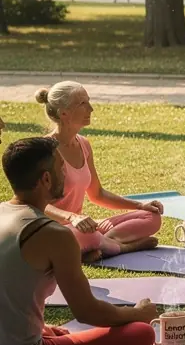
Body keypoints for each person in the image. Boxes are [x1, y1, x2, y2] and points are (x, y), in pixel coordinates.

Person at [0, 137, 157, 345]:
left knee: (57, 333)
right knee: (141, 333)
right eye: (62, 167)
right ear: (46, 179)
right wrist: (138, 313)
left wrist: (39, 327)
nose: (67, 173)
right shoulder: (53, 234)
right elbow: (87, 312)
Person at [37, 82, 163, 260]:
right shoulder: (43, 150)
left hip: (83, 227)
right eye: (83, 104)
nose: (91, 108)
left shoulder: (84, 144)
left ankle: (102, 245)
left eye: (88, 101)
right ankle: (122, 247)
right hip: (54, 231)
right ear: (64, 113)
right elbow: (35, 204)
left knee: (152, 217)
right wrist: (72, 217)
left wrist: (140, 205)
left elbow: (97, 194)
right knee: (84, 235)